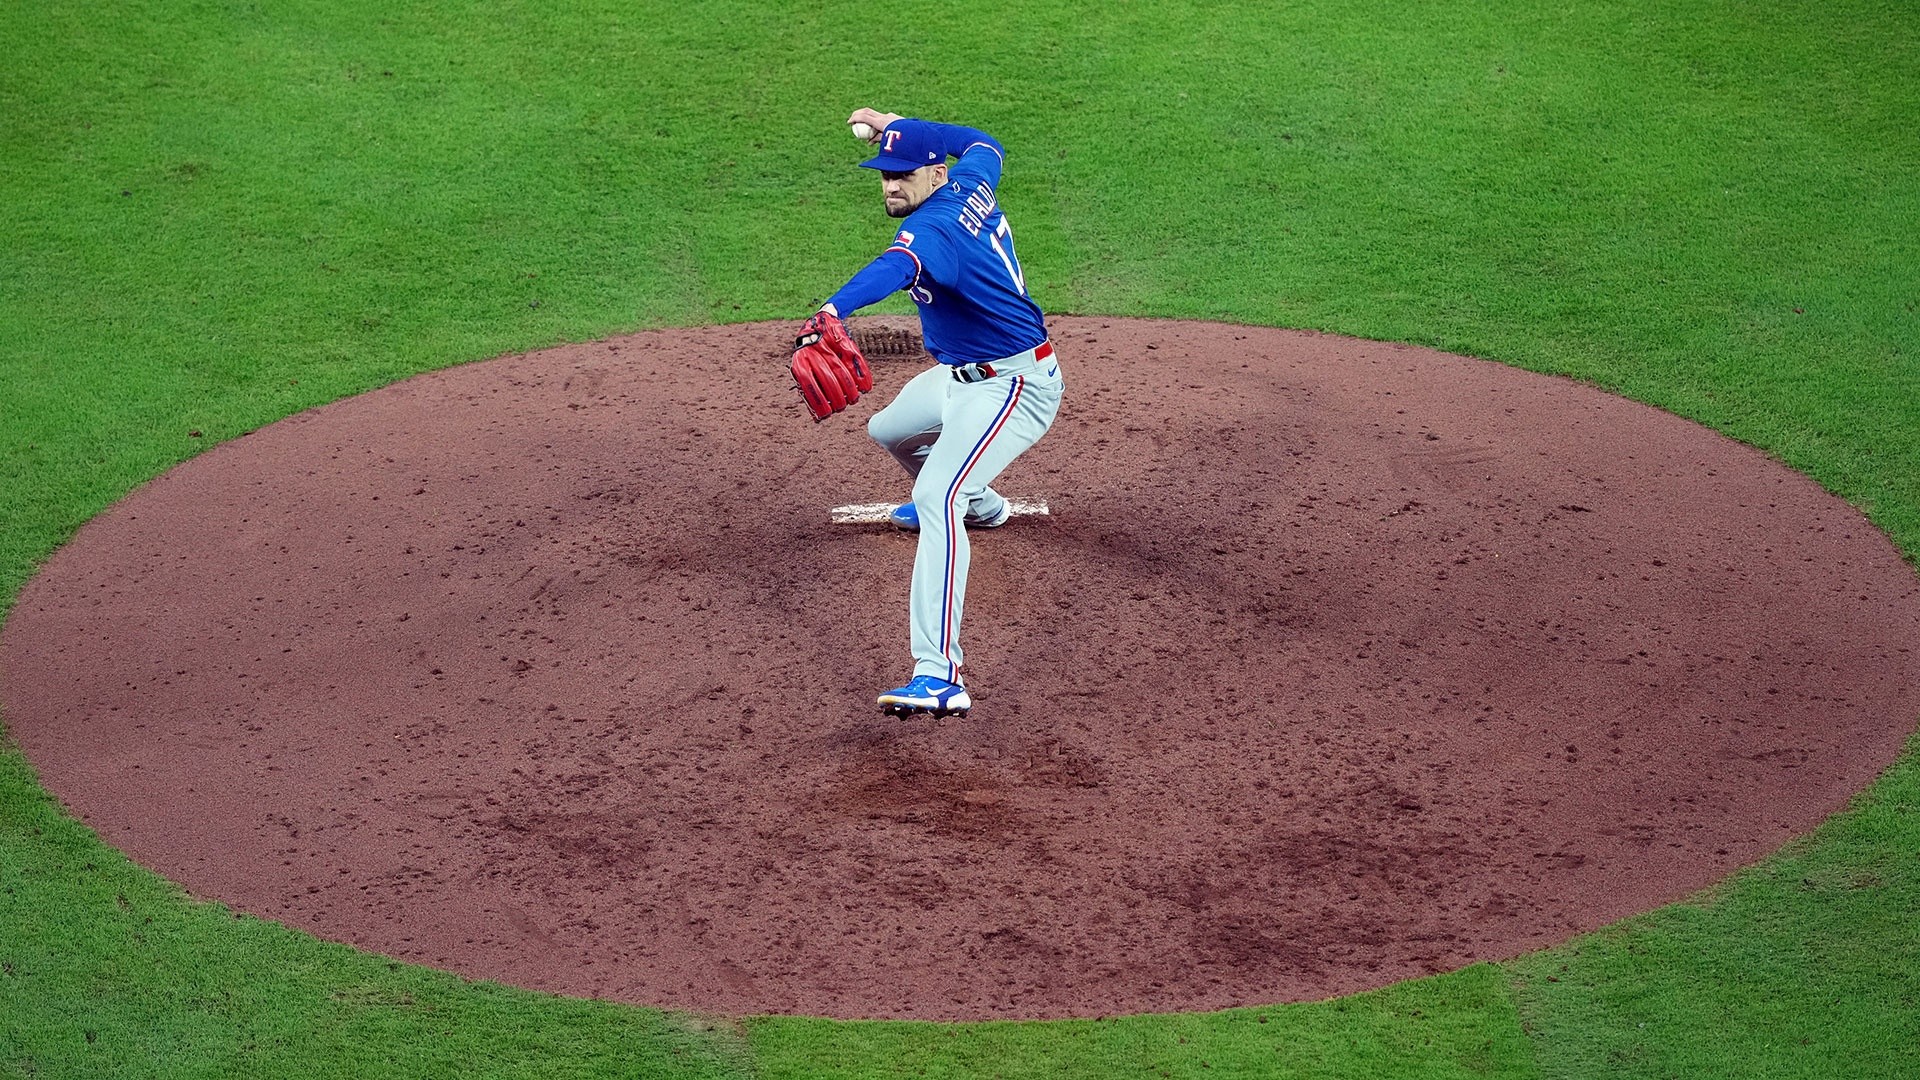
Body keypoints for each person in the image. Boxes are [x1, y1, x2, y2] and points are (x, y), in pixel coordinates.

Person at [789, 108, 1064, 719]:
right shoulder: (971, 181)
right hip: (957, 375)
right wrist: (898, 122)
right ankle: (985, 504)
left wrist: (833, 310)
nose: (891, 185)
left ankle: (940, 674)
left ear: (934, 175)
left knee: (938, 495)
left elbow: (894, 268)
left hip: (1011, 384)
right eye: (884, 173)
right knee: (888, 429)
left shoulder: (935, 227)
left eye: (903, 173)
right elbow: (983, 141)